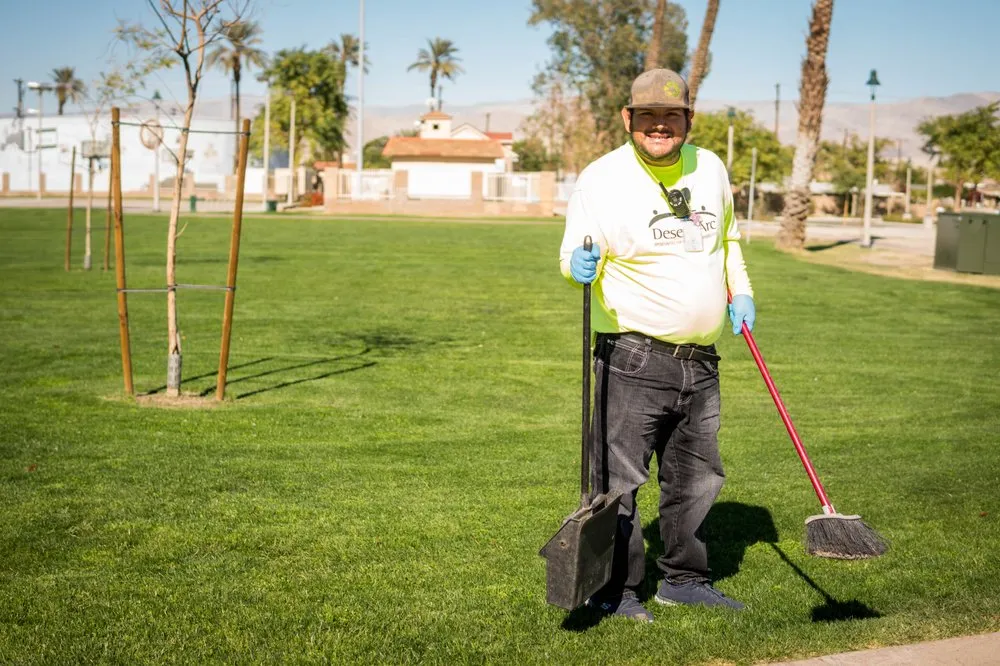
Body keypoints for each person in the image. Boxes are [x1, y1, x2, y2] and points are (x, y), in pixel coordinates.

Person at [558, 69, 756, 623]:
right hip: (633, 355)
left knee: (696, 478)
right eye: (647, 116)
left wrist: (741, 291)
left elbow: (729, 241)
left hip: (702, 359)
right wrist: (577, 267)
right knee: (618, 484)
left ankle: (686, 580)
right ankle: (614, 590)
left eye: (671, 116)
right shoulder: (601, 179)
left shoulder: (710, 167)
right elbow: (570, 254)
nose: (660, 125)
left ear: (689, 120)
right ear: (628, 120)